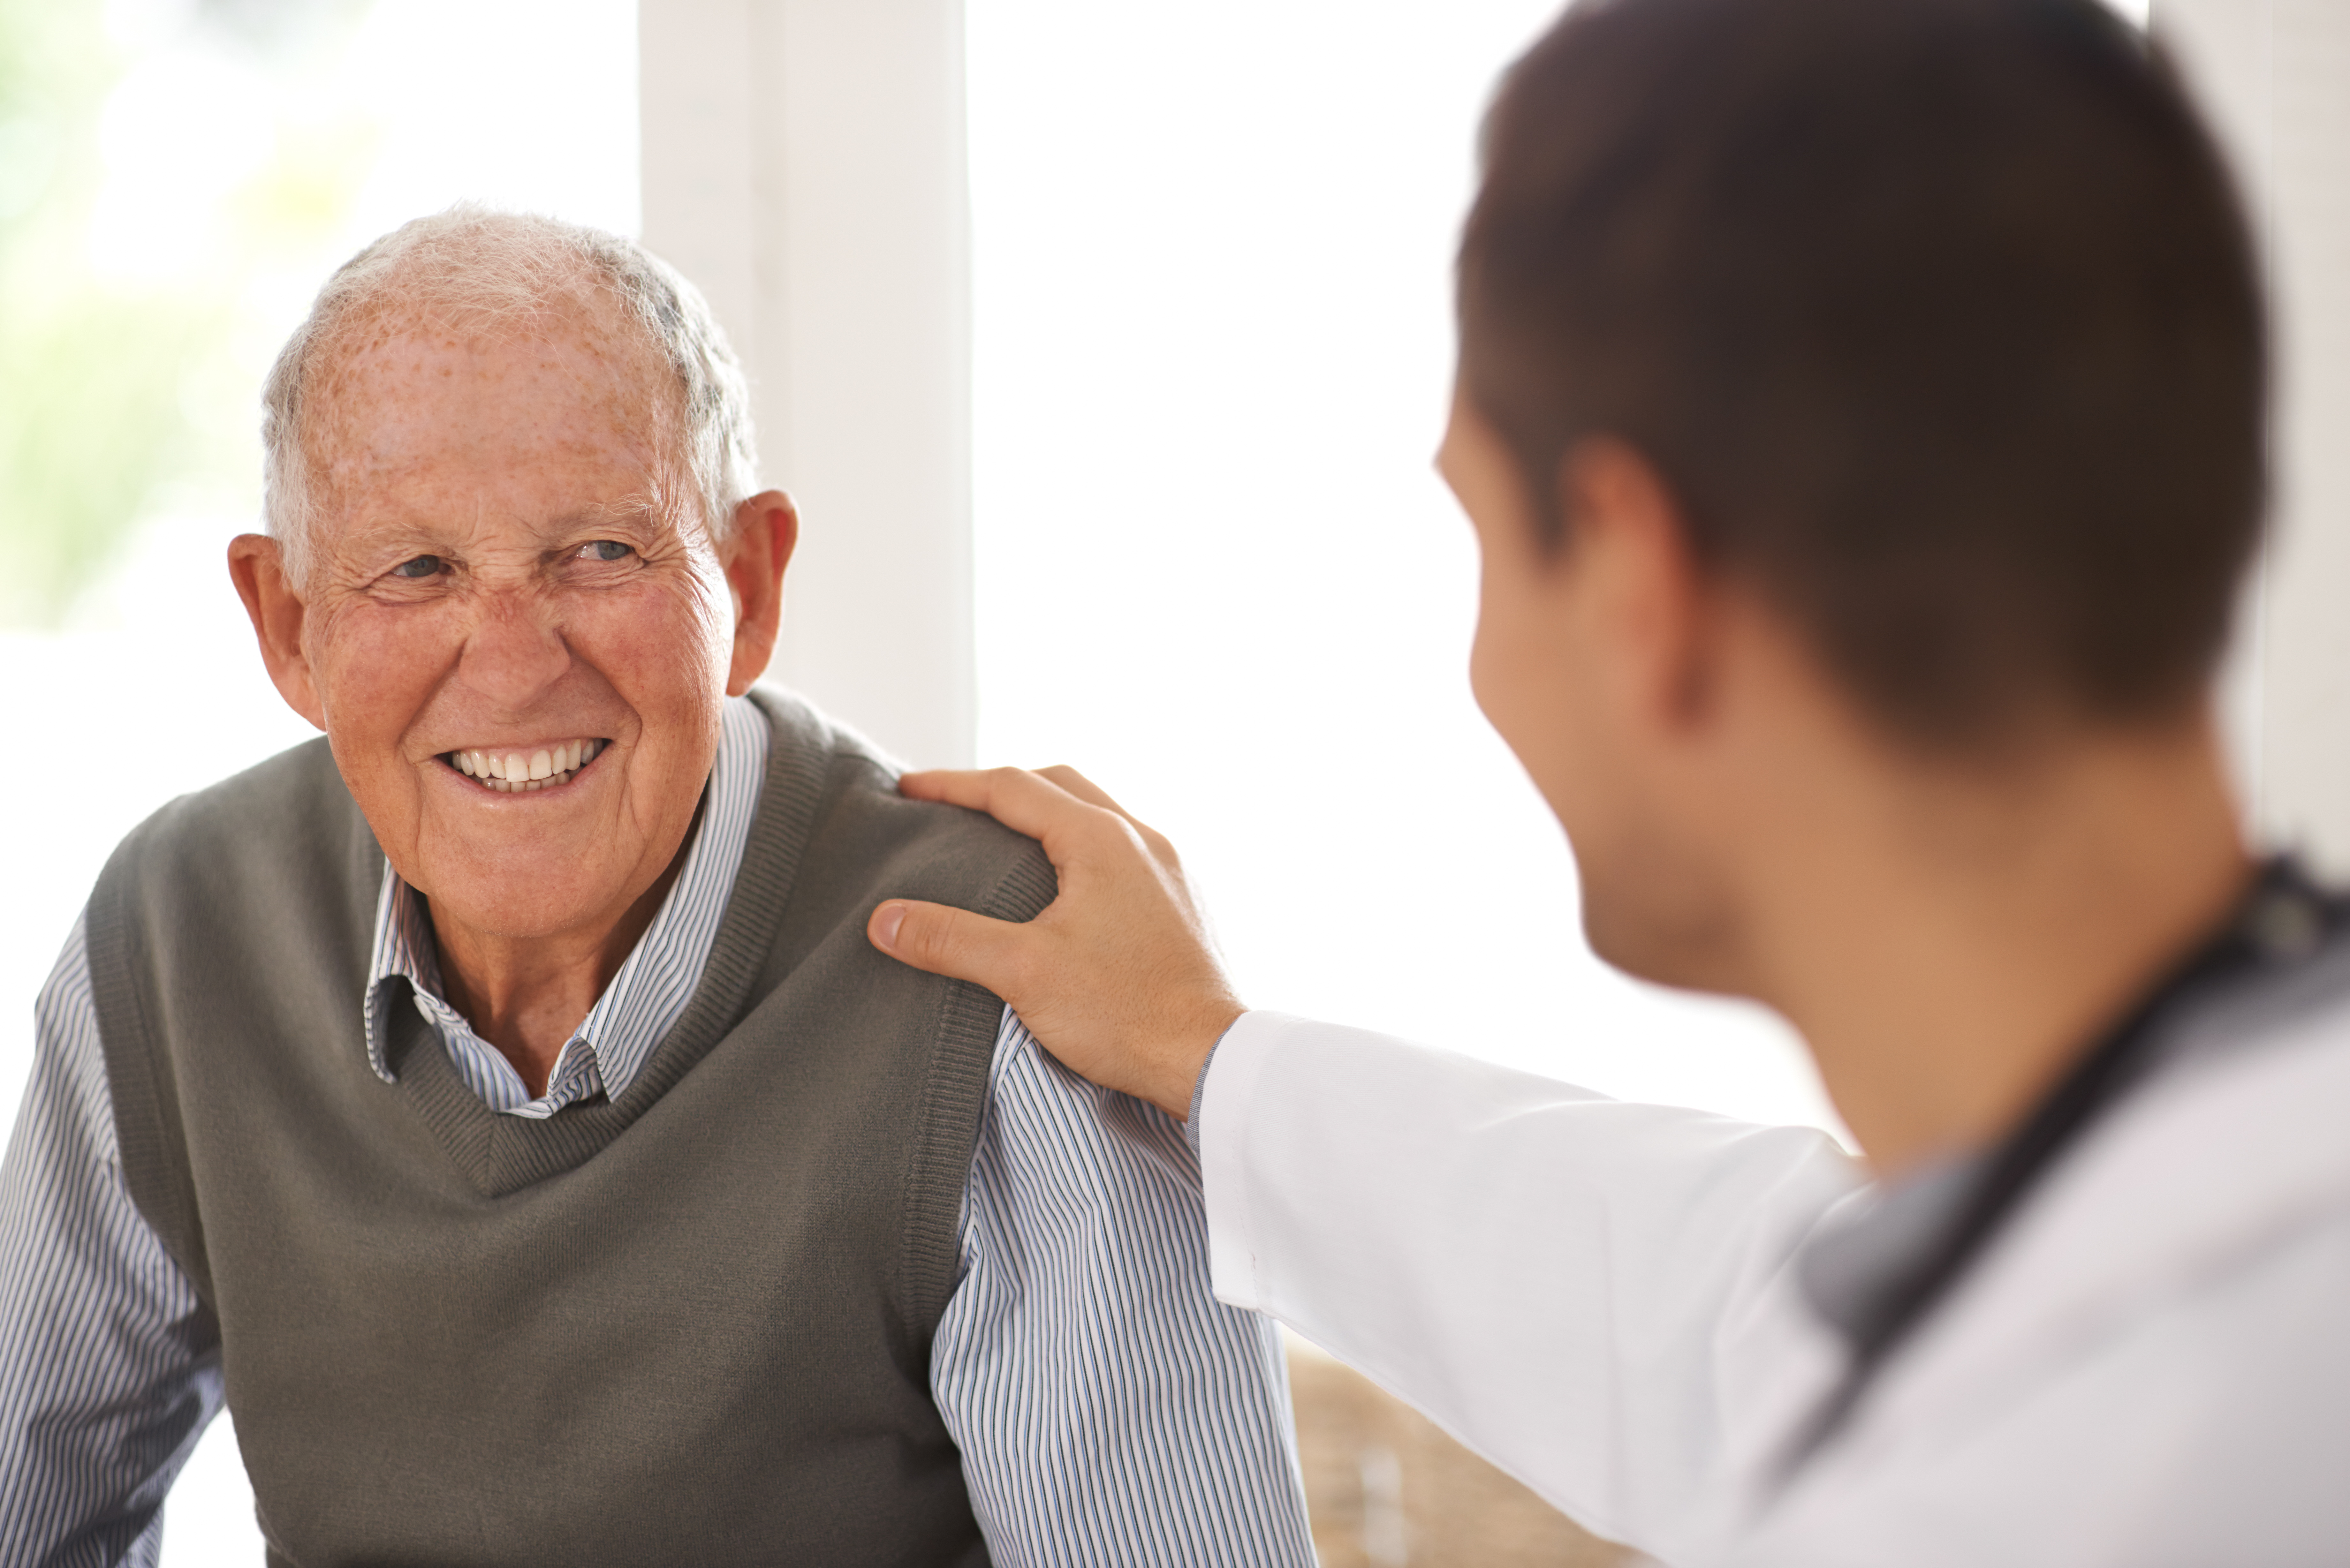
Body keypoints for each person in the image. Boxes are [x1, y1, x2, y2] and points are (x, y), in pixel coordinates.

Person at [866, 0, 2350, 1562]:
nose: (1486, 658)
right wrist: (1206, 1054)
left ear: (1638, 581)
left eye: (1484, 537)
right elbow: (1730, 1298)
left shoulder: (2057, 1486)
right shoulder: (2163, 1244)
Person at [0, 209, 1316, 1566]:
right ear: (287, 625)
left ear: (745, 585)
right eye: (418, 569)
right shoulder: (174, 936)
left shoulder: (1011, 983)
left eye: (603, 551)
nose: (509, 667)